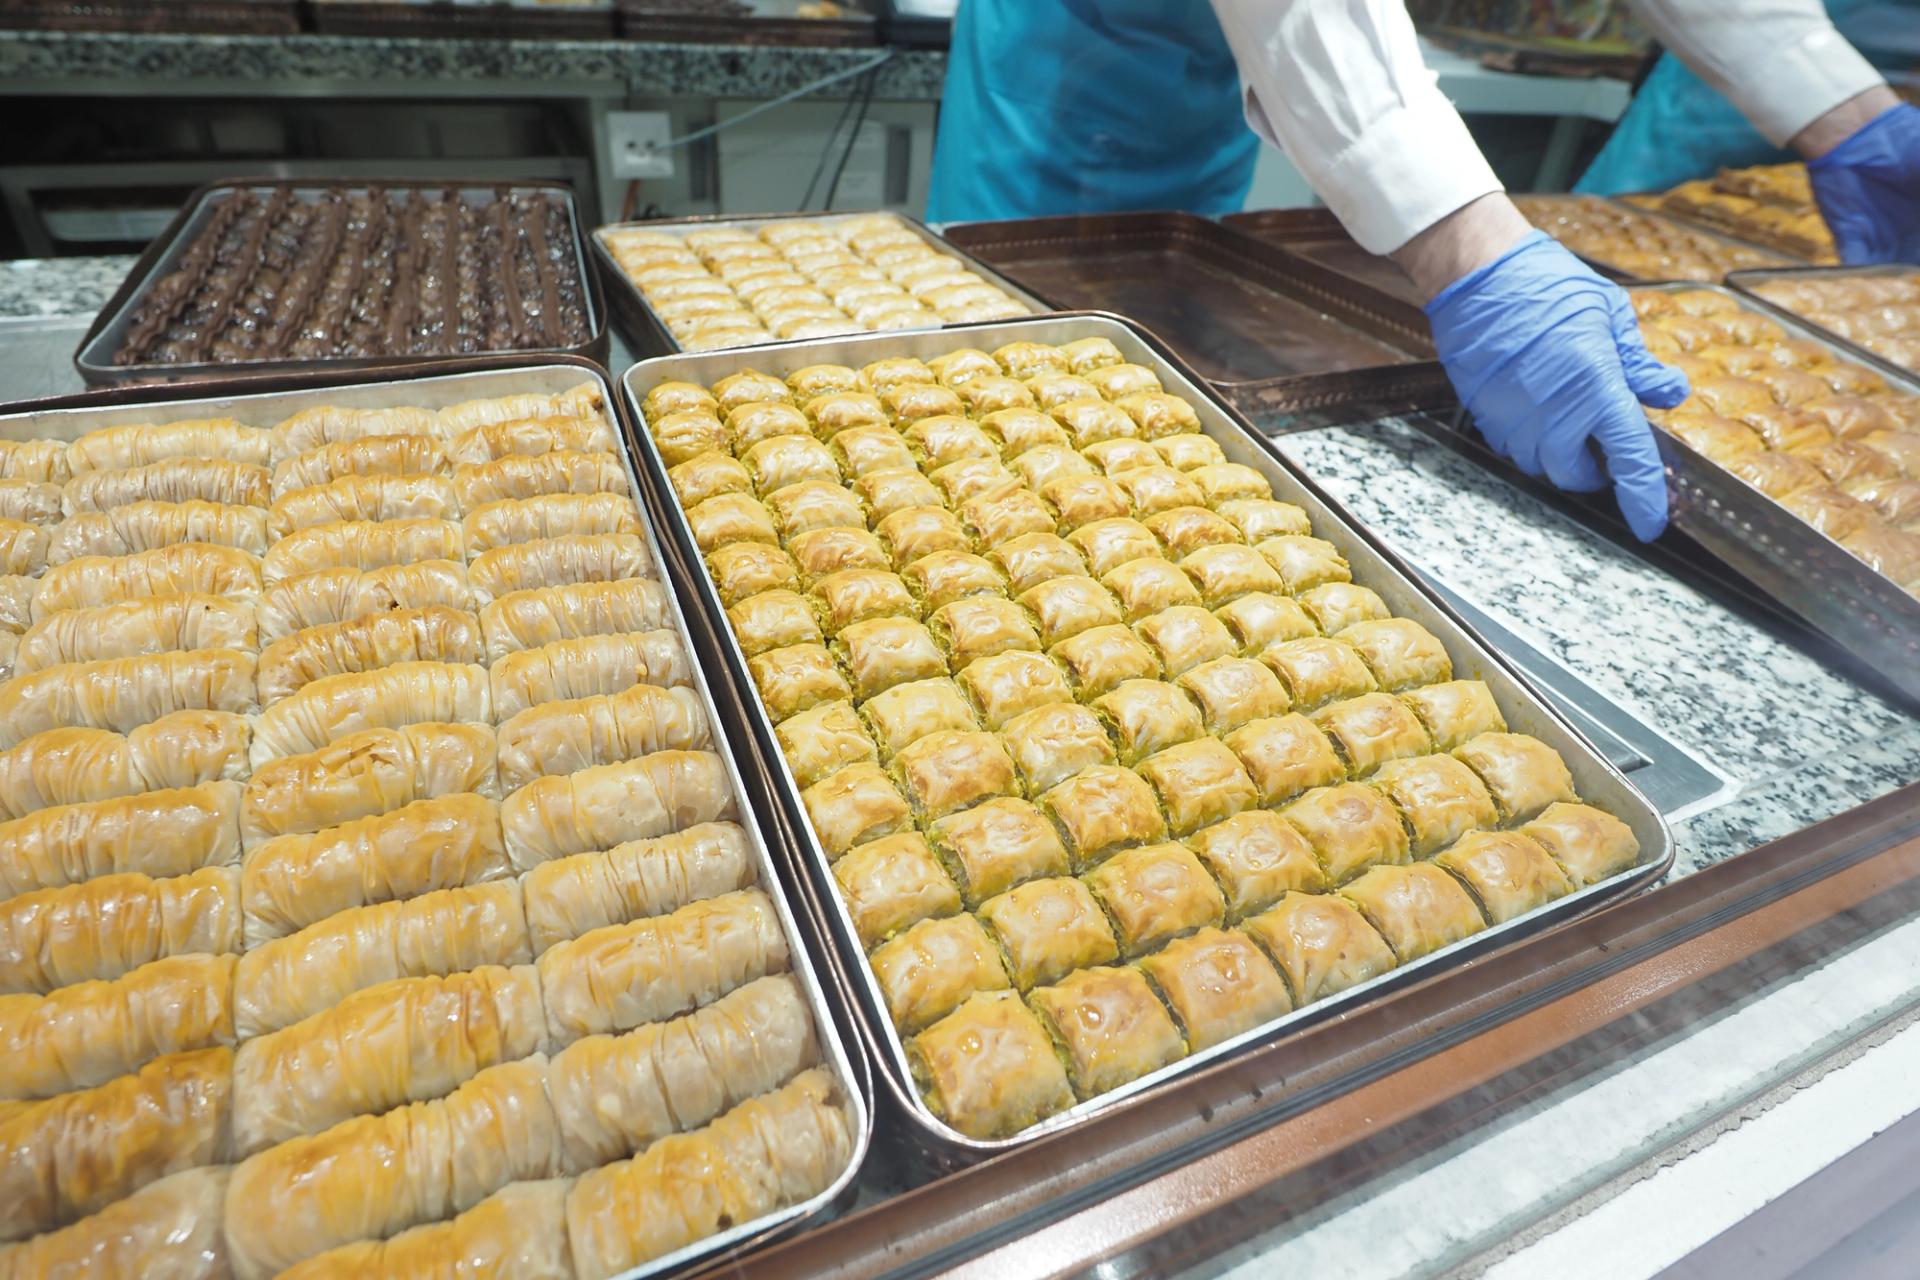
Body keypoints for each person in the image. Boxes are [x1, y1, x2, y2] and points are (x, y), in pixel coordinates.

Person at [926, 0, 1920, 541]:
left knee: (1157, 331)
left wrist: (1842, 107)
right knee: (1014, 371)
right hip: (1099, 40)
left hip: (1233, 51)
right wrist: (1463, 244)